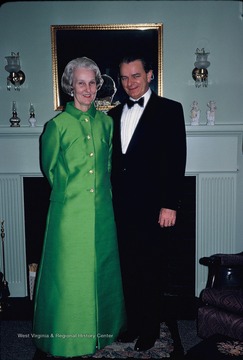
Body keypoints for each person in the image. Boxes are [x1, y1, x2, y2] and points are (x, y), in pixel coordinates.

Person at [33, 57, 126, 358]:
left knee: (101, 270)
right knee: (70, 276)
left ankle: (103, 331)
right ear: (70, 87)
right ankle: (67, 338)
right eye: (81, 83)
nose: (87, 89)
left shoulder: (107, 123)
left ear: (98, 86)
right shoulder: (56, 125)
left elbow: (108, 165)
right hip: (69, 214)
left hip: (102, 213)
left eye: (92, 83)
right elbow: (50, 170)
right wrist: (72, 195)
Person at [108, 54, 187, 352]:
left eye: (136, 76)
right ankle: (133, 325)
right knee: (127, 269)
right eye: (125, 77)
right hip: (121, 209)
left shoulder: (170, 110)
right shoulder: (113, 115)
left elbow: (176, 159)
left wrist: (171, 204)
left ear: (150, 75)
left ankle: (151, 328)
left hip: (155, 209)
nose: (130, 83)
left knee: (152, 268)